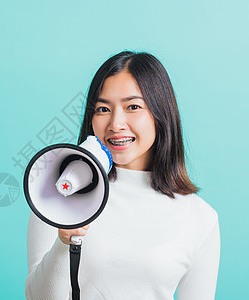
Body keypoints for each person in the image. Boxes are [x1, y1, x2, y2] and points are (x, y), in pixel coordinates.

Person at [25, 51, 220, 300]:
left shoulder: (200, 216)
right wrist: (64, 242)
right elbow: (38, 298)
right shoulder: (54, 193)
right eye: (103, 108)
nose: (116, 123)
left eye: (133, 107)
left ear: (161, 114)